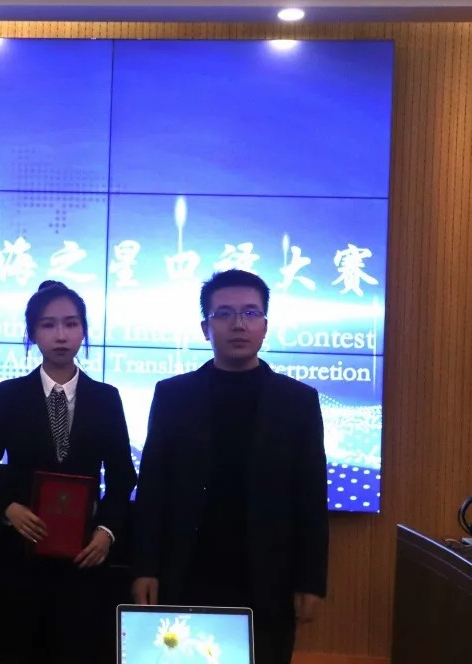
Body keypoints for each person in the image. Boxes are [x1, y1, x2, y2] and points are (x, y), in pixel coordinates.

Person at [131, 269, 328, 664]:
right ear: (205, 328)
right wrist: (144, 568)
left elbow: (310, 498)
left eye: (251, 313)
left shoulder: (297, 401)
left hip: (268, 577)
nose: (238, 324)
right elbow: (153, 490)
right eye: (224, 313)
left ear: (265, 326)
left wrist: (311, 581)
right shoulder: (173, 395)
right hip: (186, 572)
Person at [0, 280, 137, 664]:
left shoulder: (106, 398)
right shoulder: (9, 395)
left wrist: (107, 532)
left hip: (83, 559)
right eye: (48, 325)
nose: (61, 335)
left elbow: (122, 477)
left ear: (83, 331)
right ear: (32, 333)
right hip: (20, 558)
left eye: (71, 323)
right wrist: (8, 508)